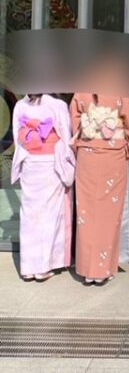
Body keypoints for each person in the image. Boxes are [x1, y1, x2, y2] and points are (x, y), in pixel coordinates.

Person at [70, 93, 129, 286]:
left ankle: (87, 270)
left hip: (87, 152)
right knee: (108, 213)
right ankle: (102, 269)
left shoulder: (81, 91)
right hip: (113, 153)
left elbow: (75, 122)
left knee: (87, 212)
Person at [11, 93, 75, 282]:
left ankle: (28, 267)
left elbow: (17, 137)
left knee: (30, 215)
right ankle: (42, 267)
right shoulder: (57, 104)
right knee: (48, 215)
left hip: (29, 162)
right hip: (50, 163)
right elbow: (65, 137)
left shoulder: (20, 105)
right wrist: (70, 163)